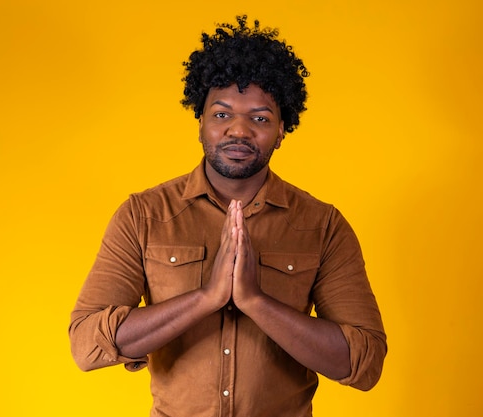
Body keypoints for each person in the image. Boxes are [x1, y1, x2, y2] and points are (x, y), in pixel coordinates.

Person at [69, 15, 387, 417]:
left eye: (260, 118)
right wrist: (205, 298)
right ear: (199, 120)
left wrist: (255, 301)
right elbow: (86, 345)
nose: (239, 131)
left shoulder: (323, 226)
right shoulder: (143, 216)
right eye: (221, 114)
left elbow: (364, 362)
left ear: (282, 130)